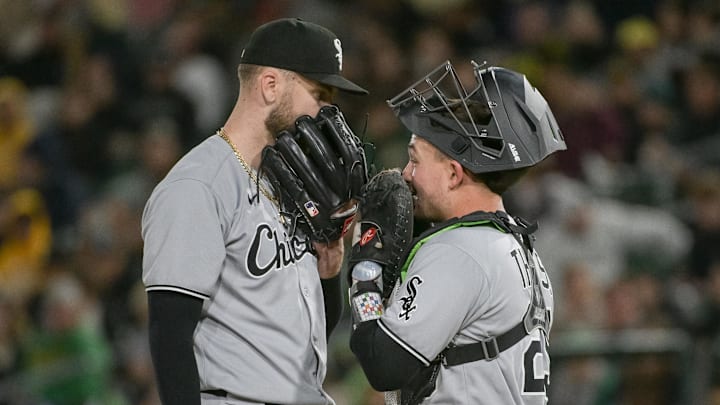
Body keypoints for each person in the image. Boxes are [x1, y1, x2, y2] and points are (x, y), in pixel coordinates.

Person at [141, 18, 368, 405]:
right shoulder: (199, 186)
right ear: (270, 86)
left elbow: (310, 340)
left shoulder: (292, 181)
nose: (329, 112)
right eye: (320, 93)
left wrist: (330, 270)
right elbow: (170, 333)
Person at [348, 60, 567, 404]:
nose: (406, 173)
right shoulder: (515, 246)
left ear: (453, 173)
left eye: (415, 160)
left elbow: (384, 364)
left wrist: (365, 267)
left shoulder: (460, 250)